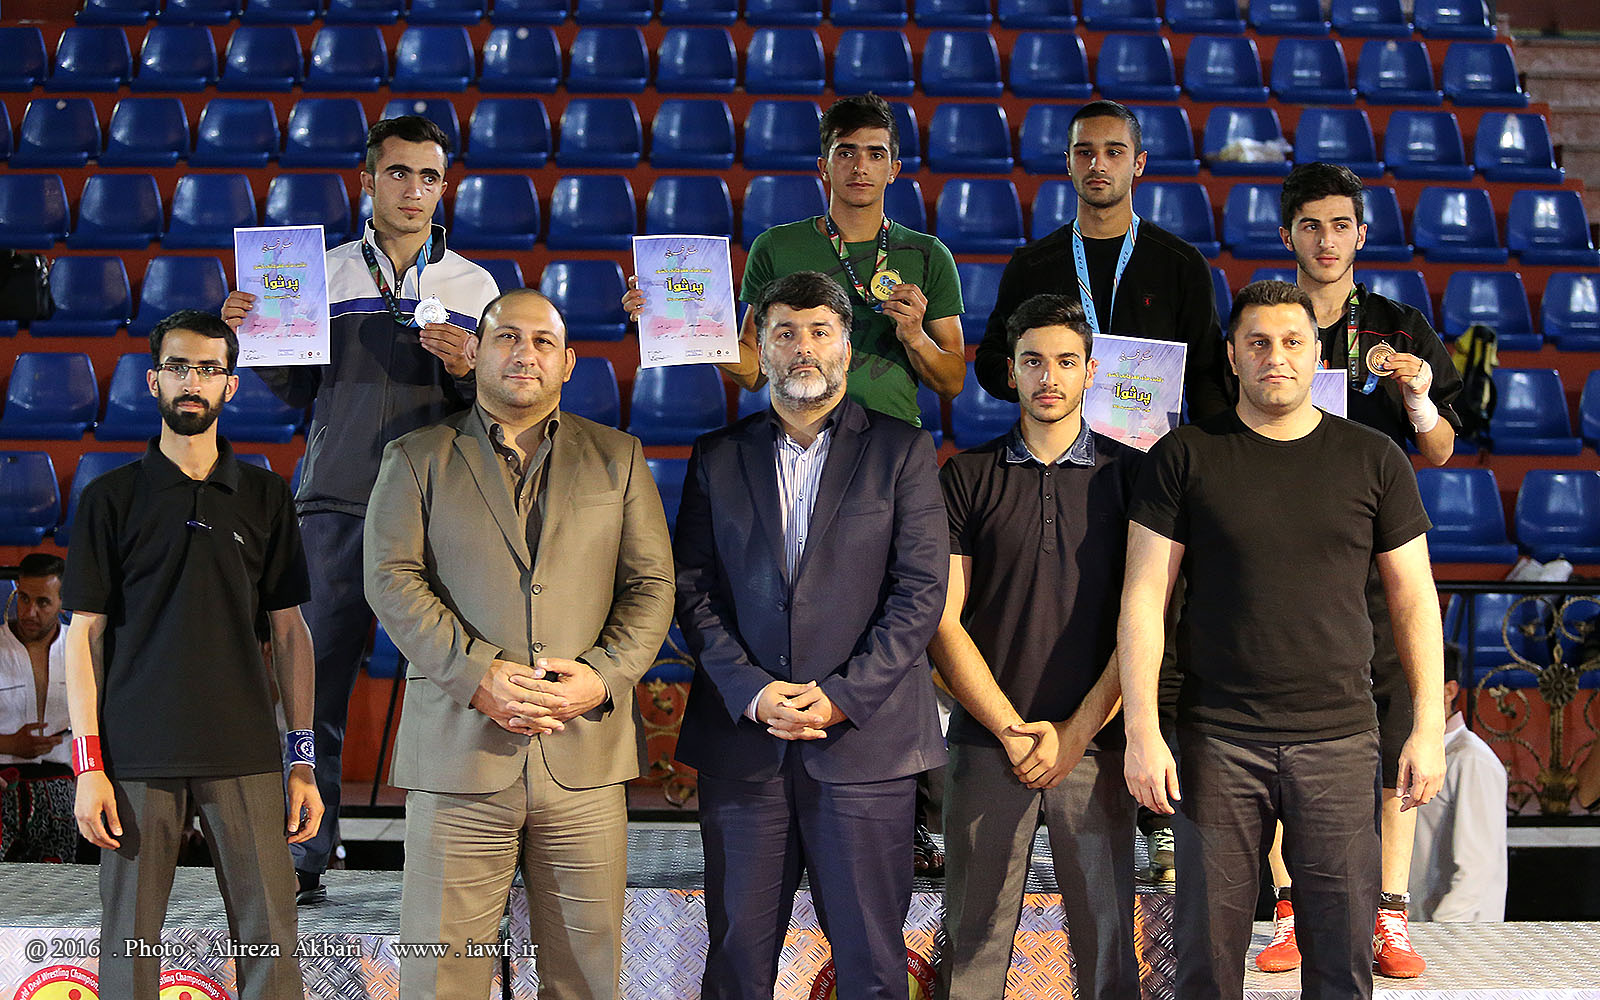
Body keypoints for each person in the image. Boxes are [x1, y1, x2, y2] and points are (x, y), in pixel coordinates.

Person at [1119, 280, 1446, 1000]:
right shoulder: (1184, 455)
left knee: (1341, 968)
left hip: (1339, 743)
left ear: (1317, 354)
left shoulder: (1374, 458)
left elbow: (1415, 599)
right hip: (1217, 742)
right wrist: (1142, 728)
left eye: (1293, 342)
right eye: (1259, 343)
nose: (1276, 357)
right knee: (1204, 966)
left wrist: (1427, 726)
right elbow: (1143, 598)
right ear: (1232, 356)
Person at [363, 288, 674, 1000]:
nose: (524, 353)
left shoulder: (619, 457)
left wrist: (602, 677)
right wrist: (477, 675)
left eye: (542, 341)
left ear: (568, 362)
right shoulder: (415, 456)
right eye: (506, 337)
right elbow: (390, 579)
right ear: (475, 353)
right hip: (458, 754)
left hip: (584, 757)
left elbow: (652, 585)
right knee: (441, 980)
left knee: (587, 982)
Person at [222, 114, 499, 904]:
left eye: (429, 177)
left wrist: (470, 367)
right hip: (335, 506)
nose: (414, 190)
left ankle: (461, 856)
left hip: (440, 511)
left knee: (455, 690)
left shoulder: (475, 287)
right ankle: (302, 854)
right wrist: (255, 338)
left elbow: (493, 406)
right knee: (312, 688)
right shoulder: (319, 274)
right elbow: (298, 393)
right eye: (399, 173)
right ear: (368, 179)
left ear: (443, 188)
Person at [674, 271, 948, 1000]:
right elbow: (692, 588)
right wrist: (753, 691)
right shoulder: (717, 455)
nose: (803, 347)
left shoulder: (902, 451)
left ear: (846, 349)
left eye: (820, 331)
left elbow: (920, 593)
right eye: (785, 332)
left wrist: (841, 697)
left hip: (866, 747)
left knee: (874, 966)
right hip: (745, 745)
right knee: (736, 964)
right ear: (760, 349)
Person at [63, 309, 323, 1000]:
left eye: (208, 369)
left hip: (245, 750)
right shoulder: (109, 499)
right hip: (135, 755)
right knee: (130, 945)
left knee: (271, 941)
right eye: (178, 367)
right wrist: (87, 764)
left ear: (230, 386)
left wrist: (301, 760)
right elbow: (83, 636)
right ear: (153, 381)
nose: (192, 382)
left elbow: (290, 632)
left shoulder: (267, 496)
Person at [1255, 161, 1466, 978]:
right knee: (1275, 729)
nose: (1326, 240)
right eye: (1311, 225)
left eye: (1340, 225)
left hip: (1375, 556)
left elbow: (1441, 447)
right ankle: (1291, 913)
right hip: (1277, 552)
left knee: (1392, 731)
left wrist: (1418, 400)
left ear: (1361, 235)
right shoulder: (1262, 321)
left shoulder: (1398, 327)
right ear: (1287, 235)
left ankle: (1389, 915)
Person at [929, 294, 1141, 1000]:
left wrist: (1075, 733)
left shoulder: (1134, 478)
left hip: (1097, 745)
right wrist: (1009, 729)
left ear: (1091, 371)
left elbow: (1144, 623)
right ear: (1011, 371)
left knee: (1109, 951)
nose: (1049, 377)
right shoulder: (965, 476)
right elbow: (942, 622)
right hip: (988, 744)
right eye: (1033, 361)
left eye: (1066, 361)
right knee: (973, 947)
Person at [625, 92, 967, 426]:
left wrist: (915, 336)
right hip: (800, 439)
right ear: (824, 166)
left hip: (893, 439)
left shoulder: (928, 254)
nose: (860, 167)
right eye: (846, 153)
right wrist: (673, 316)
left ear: (893, 169)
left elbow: (952, 383)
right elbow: (755, 372)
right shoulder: (776, 246)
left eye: (875, 155)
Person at [974, 99, 1232, 424]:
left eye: (1114, 152)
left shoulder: (1182, 264)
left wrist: (1208, 445)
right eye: (1085, 152)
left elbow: (1206, 373)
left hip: (1151, 445)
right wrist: (1033, 376)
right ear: (1069, 163)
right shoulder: (1031, 264)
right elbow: (991, 359)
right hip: (1057, 442)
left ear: (1139, 163)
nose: (1098, 164)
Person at [1407, 643, 1508, 922]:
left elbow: (1477, 868)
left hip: (1450, 933)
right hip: (1412, 928)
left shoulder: (1471, 759)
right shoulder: (1408, 754)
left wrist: (1441, 932)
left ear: (1448, 691)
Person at [0, 553, 74, 862]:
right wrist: (9, 744)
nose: (30, 612)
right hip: (3, 782)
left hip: (63, 788)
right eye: (24, 598)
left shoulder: (82, 650)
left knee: (58, 885)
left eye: (43, 602)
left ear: (63, 602)